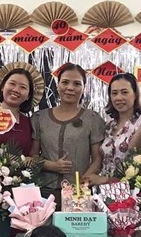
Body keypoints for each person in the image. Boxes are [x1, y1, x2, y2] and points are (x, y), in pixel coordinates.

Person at [31, 63, 103, 198]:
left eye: (77, 84)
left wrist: (82, 185)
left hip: (79, 194)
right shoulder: (40, 118)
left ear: (84, 88)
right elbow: (32, 156)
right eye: (65, 82)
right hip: (44, 191)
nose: (70, 88)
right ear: (58, 85)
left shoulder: (92, 119)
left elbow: (97, 159)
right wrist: (51, 165)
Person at [90, 72, 141, 184]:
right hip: (103, 190)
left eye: (124, 92)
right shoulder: (109, 125)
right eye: (114, 93)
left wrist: (106, 180)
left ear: (135, 94)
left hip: (130, 188)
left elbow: (131, 155)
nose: (119, 98)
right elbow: (100, 160)